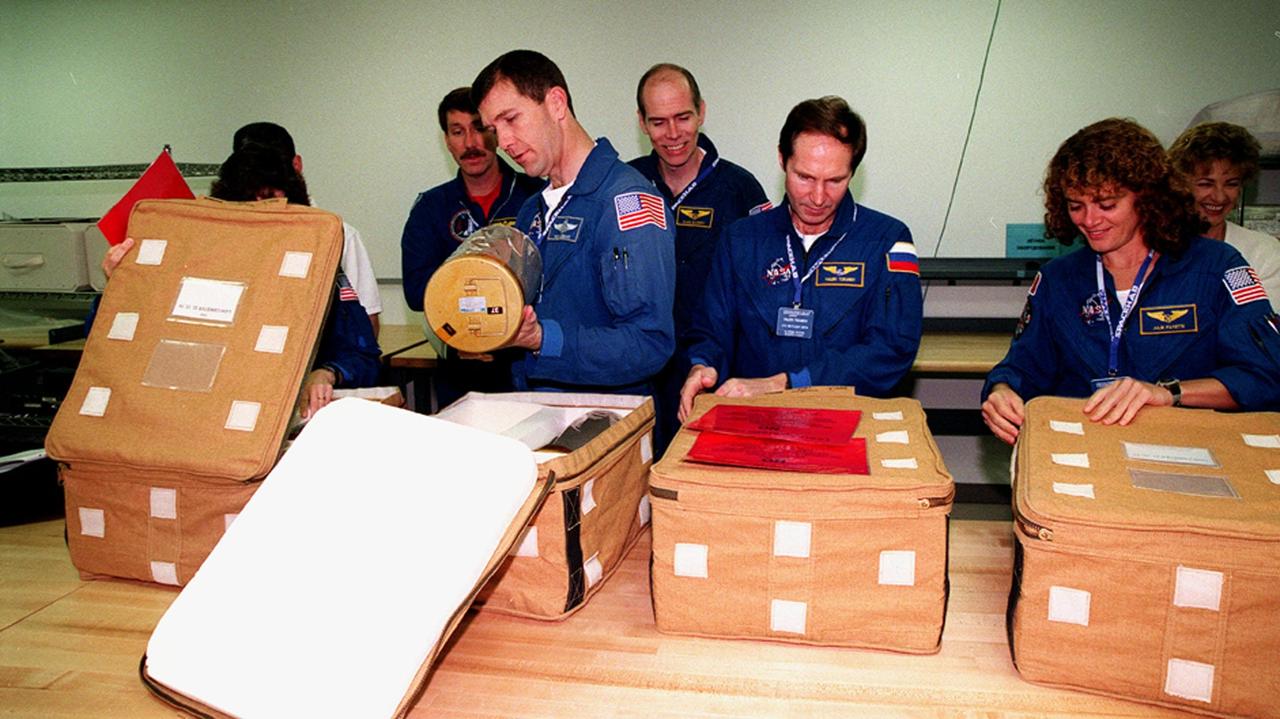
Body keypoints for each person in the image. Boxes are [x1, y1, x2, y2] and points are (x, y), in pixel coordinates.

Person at [982, 118, 1280, 445]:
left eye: (1107, 205)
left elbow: (1264, 375)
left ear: (1147, 197)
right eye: (1075, 206)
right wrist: (1002, 392)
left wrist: (1169, 393)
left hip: (1189, 450)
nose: (1090, 221)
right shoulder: (1058, 279)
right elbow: (1022, 368)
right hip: (1086, 450)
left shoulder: (1217, 267)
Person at [678, 96, 922, 421]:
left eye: (835, 180)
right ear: (782, 160)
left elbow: (891, 351)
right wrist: (702, 366)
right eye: (805, 177)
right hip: (753, 425)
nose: (818, 198)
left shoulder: (888, 240)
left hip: (847, 426)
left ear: (853, 172)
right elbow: (711, 331)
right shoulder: (740, 239)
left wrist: (788, 384)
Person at [101, 143, 382, 420]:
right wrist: (119, 288)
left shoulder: (317, 271)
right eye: (251, 207)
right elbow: (113, 347)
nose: (263, 220)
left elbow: (365, 356)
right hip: (195, 415)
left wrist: (328, 372)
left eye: (274, 206)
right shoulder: (191, 268)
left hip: (281, 418)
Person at [471, 50, 676, 394]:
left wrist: (542, 339)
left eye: (511, 119)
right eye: (494, 129)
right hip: (536, 409)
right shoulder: (531, 211)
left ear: (555, 103)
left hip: (604, 424)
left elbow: (648, 343)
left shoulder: (627, 202)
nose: (503, 143)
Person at [628, 63, 770, 448]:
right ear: (641, 122)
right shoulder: (626, 186)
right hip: (640, 372)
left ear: (702, 112)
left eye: (683, 117)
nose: (673, 134)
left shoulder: (740, 188)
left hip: (716, 371)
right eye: (658, 122)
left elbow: (768, 284)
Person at [398, 87, 543, 405]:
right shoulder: (431, 207)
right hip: (461, 370)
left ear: (495, 130)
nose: (471, 144)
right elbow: (415, 291)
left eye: (479, 128)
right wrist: (462, 332)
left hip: (530, 368)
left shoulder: (536, 194)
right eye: (457, 132)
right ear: (446, 140)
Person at [233, 122, 383, 336]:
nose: (261, 190)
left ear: (296, 165)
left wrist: (332, 369)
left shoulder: (339, 235)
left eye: (271, 174)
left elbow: (366, 328)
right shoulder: (225, 237)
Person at [1168, 122, 1279, 311]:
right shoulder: (1156, 247)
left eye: (1231, 184)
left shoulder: (1263, 252)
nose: (1219, 196)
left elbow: (1265, 330)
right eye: (1205, 184)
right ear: (1179, 184)